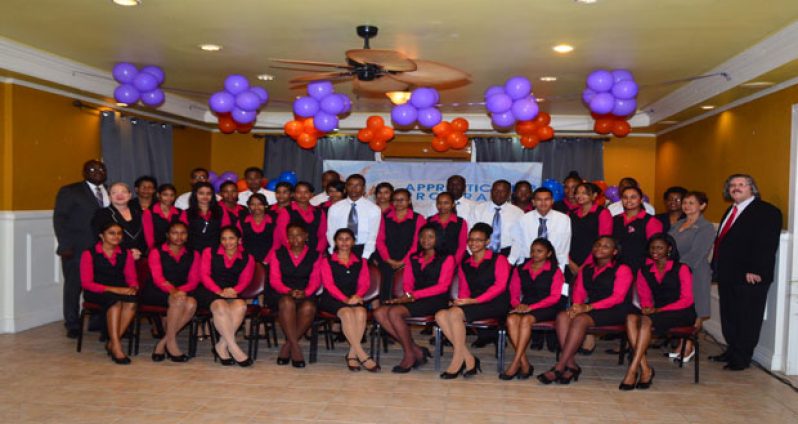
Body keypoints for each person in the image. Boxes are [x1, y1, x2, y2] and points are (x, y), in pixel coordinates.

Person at [537, 236, 633, 384]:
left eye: (605, 246)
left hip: (615, 310)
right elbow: (579, 291)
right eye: (597, 245)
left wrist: (587, 307)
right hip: (591, 308)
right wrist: (576, 306)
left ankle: (560, 366)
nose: (600, 248)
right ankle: (571, 365)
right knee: (563, 316)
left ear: (614, 252)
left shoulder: (622, 269)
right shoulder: (587, 269)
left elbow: (618, 297)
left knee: (580, 320)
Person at [710, 174, 782, 371]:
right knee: (730, 315)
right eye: (732, 185)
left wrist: (756, 270)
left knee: (747, 317)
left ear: (752, 188)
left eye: (741, 184)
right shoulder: (731, 210)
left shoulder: (766, 211)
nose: (736, 188)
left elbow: (766, 244)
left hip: (750, 276)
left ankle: (741, 358)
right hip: (728, 274)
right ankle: (732, 350)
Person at [373, 225, 454, 373]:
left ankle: (409, 355)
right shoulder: (414, 257)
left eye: (430, 236)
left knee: (394, 313)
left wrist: (411, 296)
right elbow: (408, 283)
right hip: (414, 298)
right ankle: (416, 349)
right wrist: (408, 295)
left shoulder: (447, 258)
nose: (425, 240)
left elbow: (442, 287)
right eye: (422, 236)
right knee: (379, 312)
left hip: (436, 299)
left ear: (438, 239)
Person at [620, 234, 696, 390]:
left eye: (660, 247)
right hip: (657, 313)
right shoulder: (644, 271)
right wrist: (648, 308)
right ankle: (645, 369)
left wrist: (658, 310)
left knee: (647, 320)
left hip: (681, 312)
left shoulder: (681, 268)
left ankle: (632, 370)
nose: (655, 250)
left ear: (669, 249)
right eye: (652, 247)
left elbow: (687, 299)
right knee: (630, 318)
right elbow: (645, 296)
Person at [435, 223, 510, 379]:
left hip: (495, 303)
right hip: (473, 302)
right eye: (471, 239)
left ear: (487, 242)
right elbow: (464, 289)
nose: (473, 243)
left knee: (455, 314)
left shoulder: (499, 259)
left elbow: (500, 286)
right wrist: (461, 301)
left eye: (479, 240)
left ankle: (457, 361)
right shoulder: (465, 263)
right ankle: (469, 359)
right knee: (440, 315)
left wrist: (474, 301)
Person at [54, 159, 109, 338]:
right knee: (73, 287)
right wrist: (65, 245)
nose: (97, 171)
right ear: (84, 172)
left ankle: (95, 321)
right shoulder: (70, 191)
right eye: (92, 169)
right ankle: (72, 324)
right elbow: (60, 219)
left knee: (98, 285)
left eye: (101, 168)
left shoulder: (109, 191)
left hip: (101, 250)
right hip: (76, 248)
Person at [503, 238, 566, 380]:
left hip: (548, 306)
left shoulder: (555, 271)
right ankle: (524, 363)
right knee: (511, 319)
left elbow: (555, 297)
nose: (534, 254)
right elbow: (513, 292)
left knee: (526, 319)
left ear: (549, 254)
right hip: (525, 306)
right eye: (532, 251)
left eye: (539, 251)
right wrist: (517, 305)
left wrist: (530, 307)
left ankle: (515, 364)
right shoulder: (521, 269)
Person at [319, 228, 380, 372]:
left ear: (353, 242)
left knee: (361, 312)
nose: (344, 242)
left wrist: (357, 296)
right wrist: (345, 300)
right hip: (332, 298)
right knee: (346, 313)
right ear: (335, 242)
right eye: (340, 239)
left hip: (354, 297)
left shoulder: (361, 261)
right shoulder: (327, 260)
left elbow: (364, 283)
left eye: (348, 239)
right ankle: (362, 355)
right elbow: (329, 285)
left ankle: (352, 355)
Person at [80, 222, 139, 364]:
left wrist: (133, 287)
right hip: (96, 291)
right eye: (111, 233)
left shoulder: (125, 253)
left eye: (119, 233)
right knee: (116, 302)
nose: (116, 236)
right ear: (102, 235)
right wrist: (114, 289)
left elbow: (132, 278)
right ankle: (117, 347)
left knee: (132, 302)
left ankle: (112, 342)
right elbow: (87, 283)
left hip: (120, 289)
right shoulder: (89, 253)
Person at [196, 226, 255, 367]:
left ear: (239, 240)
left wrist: (234, 290)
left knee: (241, 306)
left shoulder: (248, 257)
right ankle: (234, 348)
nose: (227, 242)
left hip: (232, 291)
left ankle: (221, 345)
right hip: (209, 290)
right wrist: (218, 291)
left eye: (231, 238)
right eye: (224, 239)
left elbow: (245, 279)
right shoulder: (209, 252)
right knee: (220, 306)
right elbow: (204, 275)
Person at [266, 223, 322, 368]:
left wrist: (306, 292)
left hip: (305, 292)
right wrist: (288, 291)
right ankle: (296, 349)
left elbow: (316, 280)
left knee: (309, 307)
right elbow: (274, 279)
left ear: (306, 236)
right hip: (281, 293)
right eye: (291, 235)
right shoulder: (278, 253)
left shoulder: (315, 255)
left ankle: (287, 346)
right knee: (287, 303)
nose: (294, 238)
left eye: (298, 234)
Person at [143, 222, 199, 362]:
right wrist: (173, 291)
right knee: (179, 300)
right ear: (168, 235)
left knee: (191, 303)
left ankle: (163, 342)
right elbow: (157, 278)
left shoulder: (194, 254)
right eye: (175, 232)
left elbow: (194, 280)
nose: (179, 236)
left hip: (183, 291)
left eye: (183, 233)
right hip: (157, 290)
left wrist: (180, 291)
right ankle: (172, 345)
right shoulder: (156, 251)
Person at [668, 191, 714, 361]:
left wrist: (676, 268)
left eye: (691, 203)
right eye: (685, 202)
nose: (686, 206)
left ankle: (689, 345)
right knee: (682, 308)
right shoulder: (678, 223)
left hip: (695, 272)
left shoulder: (706, 227)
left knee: (696, 309)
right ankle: (681, 342)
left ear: (702, 206)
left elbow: (697, 253)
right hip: (675, 273)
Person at [375, 189, 426, 303]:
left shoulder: (418, 218)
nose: (398, 203)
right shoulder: (384, 217)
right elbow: (380, 240)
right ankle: (384, 308)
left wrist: (404, 261)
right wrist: (388, 259)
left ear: (409, 201)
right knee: (385, 276)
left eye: (402, 200)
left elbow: (417, 243)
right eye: (395, 200)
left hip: (410, 259)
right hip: (387, 259)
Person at [509, 187, 571, 269]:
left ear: (552, 201)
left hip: (553, 264)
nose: (543, 203)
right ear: (533, 202)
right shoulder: (523, 219)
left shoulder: (564, 219)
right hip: (528, 262)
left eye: (547, 199)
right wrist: (510, 263)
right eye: (539, 200)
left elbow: (564, 247)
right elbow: (517, 244)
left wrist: (561, 269)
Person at [326, 174, 381, 259]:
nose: (353, 188)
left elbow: (373, 234)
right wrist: (334, 249)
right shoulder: (335, 208)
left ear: (364, 188)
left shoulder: (373, 209)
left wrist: (366, 255)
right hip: (339, 249)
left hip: (362, 249)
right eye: (350, 185)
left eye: (357, 185)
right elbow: (331, 231)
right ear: (346, 187)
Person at [612, 186, 663, 274]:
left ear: (641, 199)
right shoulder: (615, 219)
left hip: (641, 270)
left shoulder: (651, 221)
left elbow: (656, 249)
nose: (628, 200)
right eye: (625, 197)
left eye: (633, 197)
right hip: (617, 269)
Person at [91, 182, 147, 260]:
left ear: (130, 195)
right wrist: (127, 253)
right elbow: (99, 239)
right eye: (114, 192)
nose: (119, 195)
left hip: (141, 257)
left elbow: (148, 236)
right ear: (109, 197)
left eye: (123, 192)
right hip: (115, 259)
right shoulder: (102, 214)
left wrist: (139, 251)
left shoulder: (141, 213)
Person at [568, 182, 613, 277]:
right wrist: (569, 262)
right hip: (570, 262)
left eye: (584, 193)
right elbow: (564, 239)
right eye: (577, 193)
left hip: (594, 261)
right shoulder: (571, 214)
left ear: (594, 195)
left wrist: (586, 265)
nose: (580, 196)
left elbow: (604, 241)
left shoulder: (602, 213)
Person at [472, 180, 525, 256]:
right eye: (495, 190)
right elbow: (471, 234)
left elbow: (519, 240)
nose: (498, 194)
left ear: (509, 194)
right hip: (481, 251)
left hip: (507, 252)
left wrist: (511, 260)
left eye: (502, 191)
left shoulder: (518, 213)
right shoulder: (478, 209)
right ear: (491, 192)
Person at [275, 181, 328, 254]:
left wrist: (318, 251)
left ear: (311, 195)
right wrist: (294, 250)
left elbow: (323, 235)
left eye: (306, 192)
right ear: (294, 194)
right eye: (299, 192)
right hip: (291, 252)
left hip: (315, 252)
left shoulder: (319, 212)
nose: (302, 195)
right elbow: (282, 234)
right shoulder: (286, 211)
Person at [185, 182, 231, 252]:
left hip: (216, 250)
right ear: (195, 195)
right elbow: (183, 233)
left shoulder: (221, 211)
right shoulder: (186, 213)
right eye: (201, 193)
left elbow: (227, 230)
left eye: (208, 193)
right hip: (193, 250)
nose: (205, 196)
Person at [142, 183, 187, 250]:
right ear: (158, 195)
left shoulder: (181, 213)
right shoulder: (149, 213)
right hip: (156, 249)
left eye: (172, 195)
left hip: (177, 249)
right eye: (165, 195)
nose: (169, 198)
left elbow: (184, 233)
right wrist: (154, 251)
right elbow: (149, 236)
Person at [426, 192, 468, 264]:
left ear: (453, 204)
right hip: (432, 262)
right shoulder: (429, 221)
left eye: (446, 203)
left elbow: (462, 246)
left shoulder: (461, 222)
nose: (442, 206)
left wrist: (454, 262)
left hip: (454, 262)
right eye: (439, 203)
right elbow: (426, 244)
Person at [240, 193, 278, 264]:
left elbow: (277, 243)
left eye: (260, 204)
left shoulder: (274, 220)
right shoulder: (242, 221)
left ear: (265, 205)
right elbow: (238, 243)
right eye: (253, 204)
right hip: (246, 260)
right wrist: (247, 259)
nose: (256, 207)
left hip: (270, 260)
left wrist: (267, 260)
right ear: (249, 206)